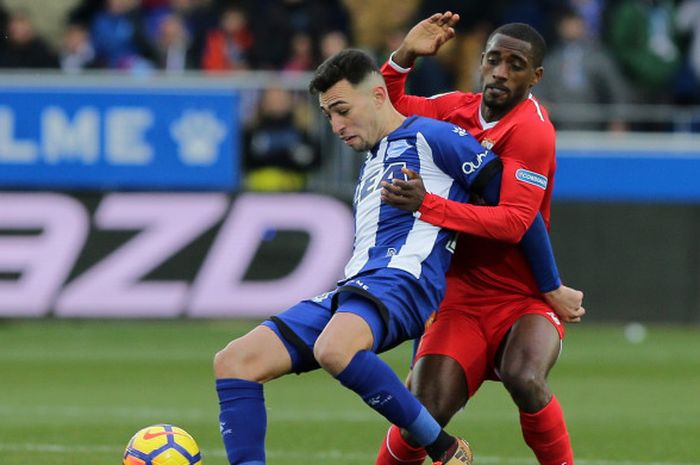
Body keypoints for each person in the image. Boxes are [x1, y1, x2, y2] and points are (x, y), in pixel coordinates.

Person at [212, 48, 562, 465]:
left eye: (342, 110)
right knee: (234, 361)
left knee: (335, 349)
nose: (337, 126)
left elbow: (519, 215)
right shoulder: (375, 160)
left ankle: (444, 448)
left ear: (379, 97)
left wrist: (551, 287)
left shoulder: (435, 136)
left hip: (404, 281)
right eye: (328, 116)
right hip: (356, 288)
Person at [375, 13, 585, 465]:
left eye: (516, 64)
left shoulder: (533, 130)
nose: (501, 73)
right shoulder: (455, 107)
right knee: (422, 414)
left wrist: (426, 205)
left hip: (522, 295)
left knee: (525, 377)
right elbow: (386, 108)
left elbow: (512, 222)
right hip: (459, 298)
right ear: (481, 62)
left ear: (536, 76)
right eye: (494, 60)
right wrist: (405, 56)